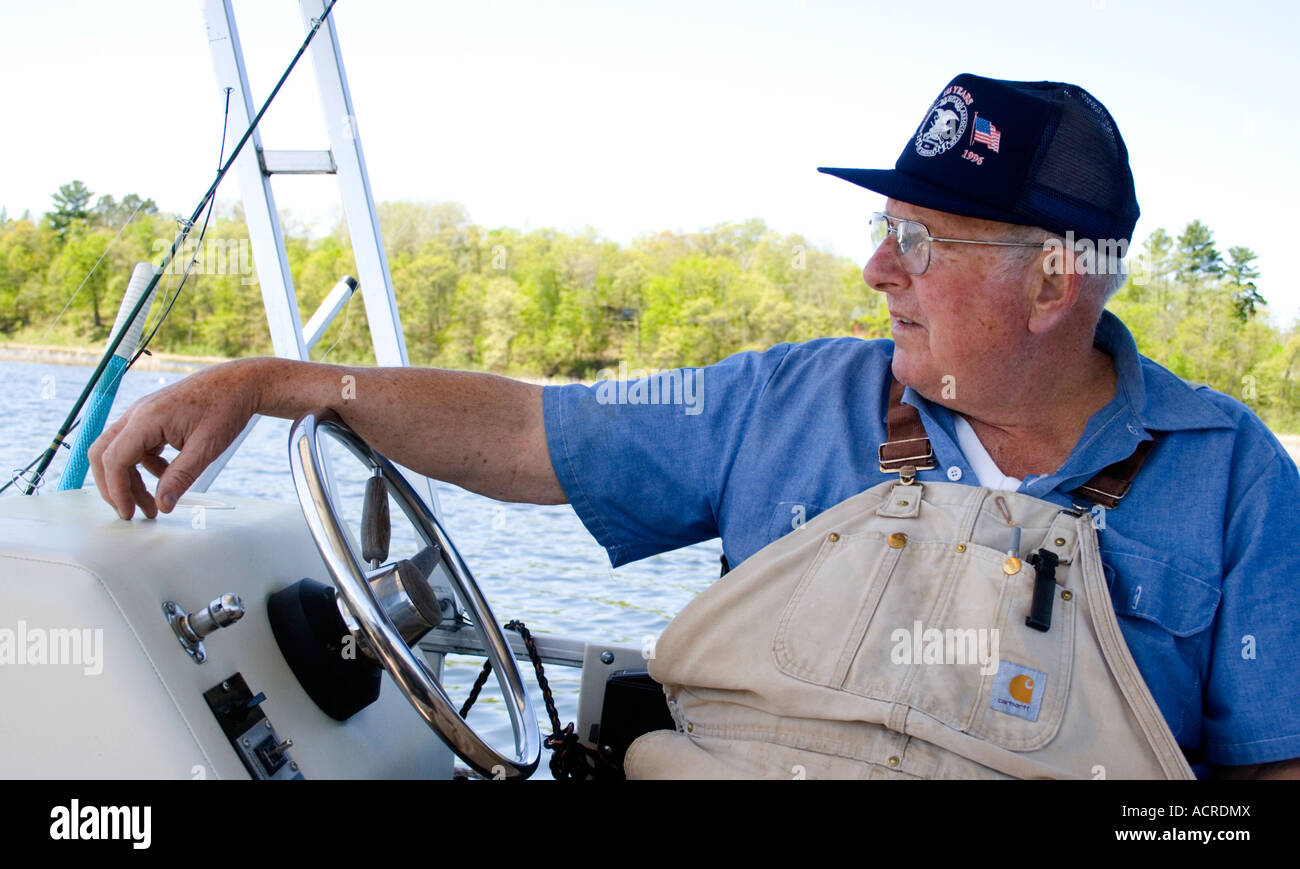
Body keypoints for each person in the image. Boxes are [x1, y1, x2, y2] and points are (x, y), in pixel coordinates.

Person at [89, 74, 1300, 779]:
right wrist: (282, 382)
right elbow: (525, 433)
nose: (878, 267)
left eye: (921, 240)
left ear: (1053, 284)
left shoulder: (1233, 479)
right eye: (884, 230)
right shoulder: (782, 400)